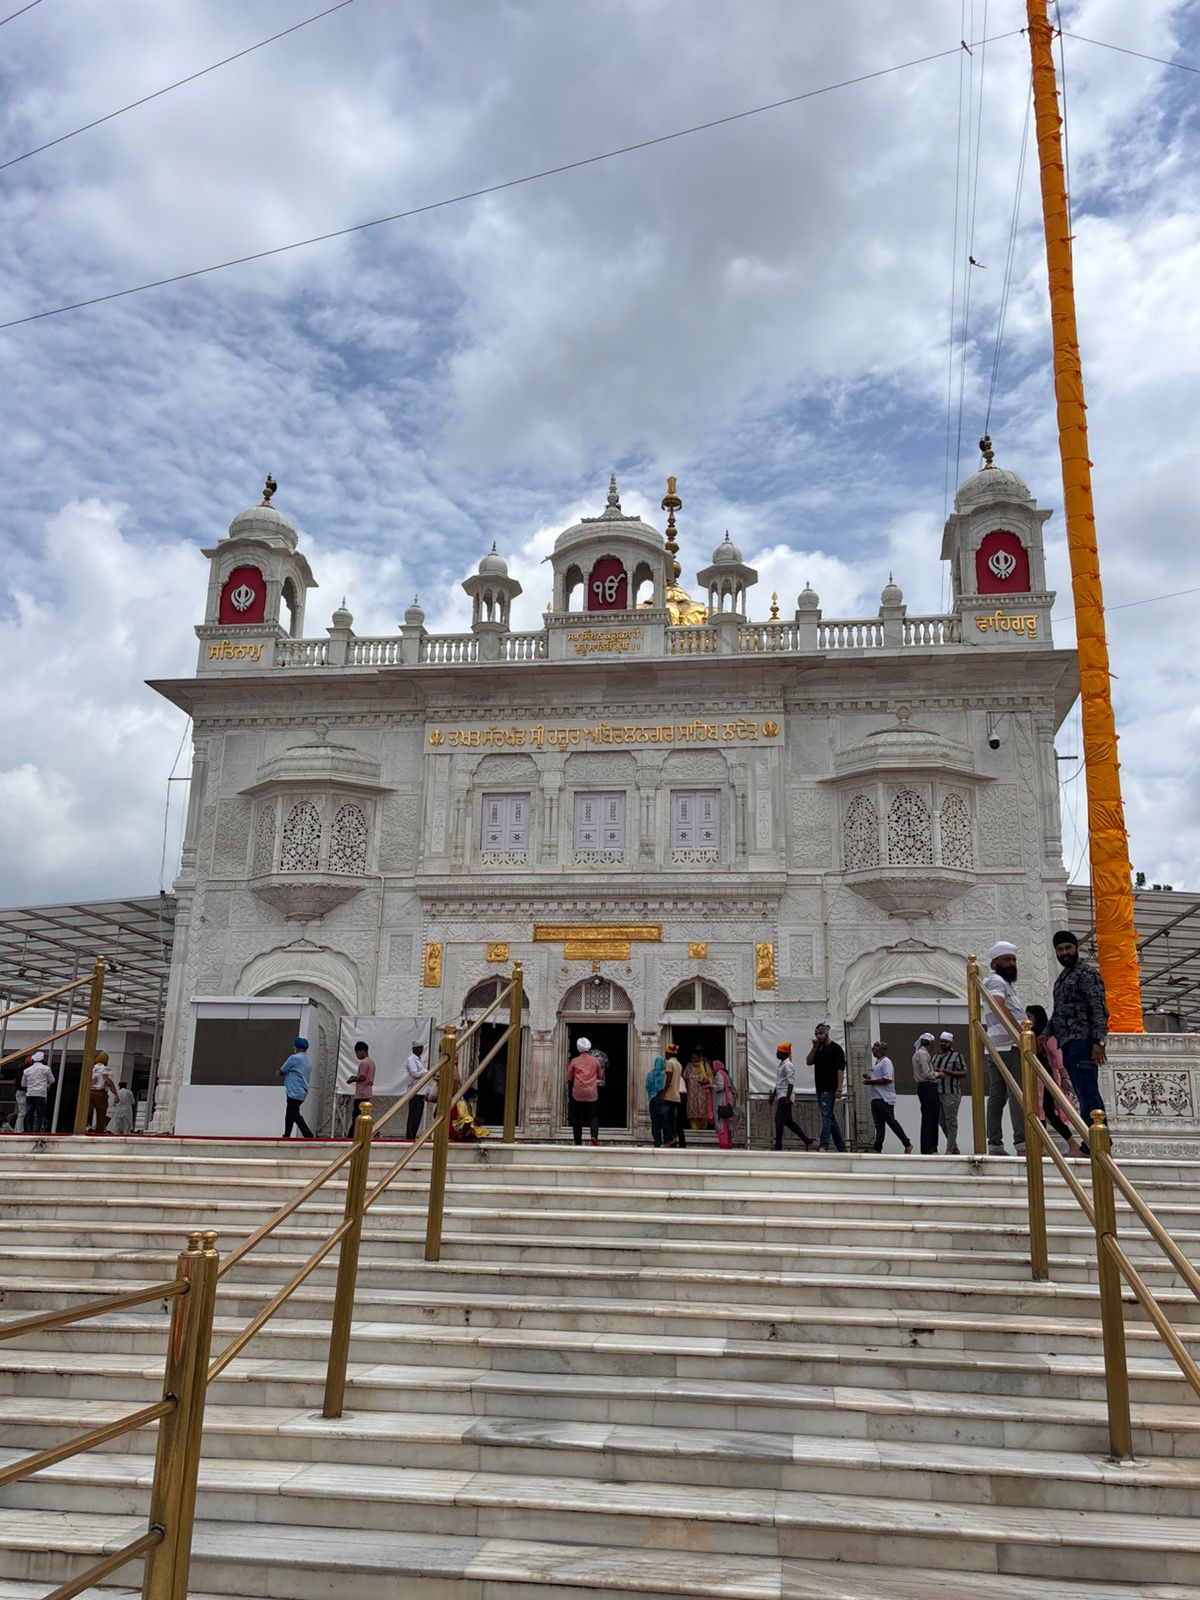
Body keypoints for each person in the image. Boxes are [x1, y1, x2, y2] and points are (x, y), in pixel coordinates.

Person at [1048, 930, 1109, 1154]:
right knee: (1083, 1095)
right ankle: (1092, 1140)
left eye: (1068, 948)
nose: (1065, 953)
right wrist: (1045, 1033)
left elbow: (1099, 1010)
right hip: (1068, 1046)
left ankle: (1099, 1142)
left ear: (1076, 949)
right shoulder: (1062, 980)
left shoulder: (1086, 974)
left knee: (1088, 1093)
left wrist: (1098, 1042)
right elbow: (1058, 1015)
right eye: (1060, 949)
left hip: (1084, 1043)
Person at [981, 941, 1026, 1156]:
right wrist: (1020, 1034)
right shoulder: (996, 980)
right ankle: (1023, 1143)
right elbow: (998, 1005)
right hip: (1009, 1046)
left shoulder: (1000, 982)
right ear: (994, 961)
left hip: (998, 1047)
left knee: (998, 1096)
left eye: (1014, 959)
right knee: (1018, 1093)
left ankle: (996, 1145)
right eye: (1007, 959)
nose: (1012, 963)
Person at [1026, 1003, 1081, 1158]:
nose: (1028, 1020)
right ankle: (1051, 1145)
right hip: (1037, 1078)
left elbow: (1058, 1056)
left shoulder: (1046, 1035)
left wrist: (1064, 1077)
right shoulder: (1031, 1034)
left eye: (1030, 1016)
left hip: (1045, 1078)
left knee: (1045, 1111)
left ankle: (1065, 1145)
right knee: (1043, 1111)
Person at [863, 1042, 913, 1153]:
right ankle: (877, 1147)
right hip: (876, 1097)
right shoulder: (878, 1062)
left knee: (891, 1121)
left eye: (875, 1048)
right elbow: (879, 1077)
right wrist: (870, 1077)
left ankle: (907, 1143)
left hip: (884, 1098)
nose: (873, 1050)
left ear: (880, 1050)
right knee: (879, 1125)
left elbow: (887, 1078)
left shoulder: (886, 1062)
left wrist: (871, 1081)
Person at [806, 1023, 846, 1152]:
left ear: (826, 1033)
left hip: (829, 1088)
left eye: (820, 1034)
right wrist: (814, 1048)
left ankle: (824, 1144)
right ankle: (841, 1146)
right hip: (820, 1087)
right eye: (816, 1034)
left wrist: (839, 1088)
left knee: (826, 1116)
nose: (818, 1036)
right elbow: (809, 1062)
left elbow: (840, 1069)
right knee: (829, 1117)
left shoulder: (836, 1049)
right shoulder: (819, 1048)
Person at [770, 1043, 813, 1152]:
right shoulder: (782, 1064)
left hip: (785, 1096)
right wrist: (774, 1094)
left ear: (783, 1053)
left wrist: (788, 1098)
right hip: (782, 1095)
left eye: (778, 1051)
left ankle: (778, 1146)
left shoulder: (787, 1065)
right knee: (788, 1121)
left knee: (778, 1120)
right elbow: (780, 1082)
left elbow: (790, 1083)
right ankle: (806, 1140)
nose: (776, 1053)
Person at [934, 1030, 967, 1155]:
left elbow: (964, 1073)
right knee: (942, 1121)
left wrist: (948, 1072)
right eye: (942, 1041)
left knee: (951, 1121)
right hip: (938, 1092)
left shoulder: (957, 1056)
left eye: (946, 1042)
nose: (943, 1044)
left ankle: (949, 1149)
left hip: (951, 1092)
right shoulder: (936, 1056)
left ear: (950, 1043)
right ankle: (954, 1146)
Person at [566, 1035, 602, 1146]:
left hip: (577, 1093)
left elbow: (569, 1077)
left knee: (577, 1117)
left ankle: (577, 1141)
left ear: (578, 1048)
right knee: (593, 1116)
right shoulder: (595, 1061)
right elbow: (600, 1076)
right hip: (591, 1093)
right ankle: (594, 1136)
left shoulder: (574, 1061)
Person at [278, 1037, 314, 1139]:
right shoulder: (308, 1059)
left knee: (294, 1113)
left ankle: (308, 1134)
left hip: (294, 1090)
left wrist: (278, 1073)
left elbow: (282, 1070)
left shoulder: (294, 1058)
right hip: (302, 1091)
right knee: (290, 1112)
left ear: (297, 1047)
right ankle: (286, 1134)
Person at [912, 1033, 941, 1154]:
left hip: (923, 1088)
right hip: (928, 1087)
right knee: (932, 1118)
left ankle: (926, 1147)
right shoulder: (923, 1054)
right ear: (928, 1043)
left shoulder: (917, 1054)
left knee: (926, 1118)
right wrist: (938, 1074)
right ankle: (930, 1147)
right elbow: (927, 1074)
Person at [21, 1051, 54, 1134]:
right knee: (40, 1114)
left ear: (33, 1060)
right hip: (41, 1094)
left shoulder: (27, 1070)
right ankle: (39, 1131)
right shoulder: (46, 1069)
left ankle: (29, 1131)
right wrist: (46, 1084)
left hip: (30, 1094)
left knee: (29, 1114)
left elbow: (23, 1084)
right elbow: (52, 1080)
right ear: (43, 1060)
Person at [404, 1041, 432, 1140]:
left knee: (417, 1116)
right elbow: (414, 1074)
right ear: (414, 1049)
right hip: (415, 1092)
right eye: (419, 1048)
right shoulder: (411, 1060)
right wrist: (427, 1072)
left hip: (421, 1092)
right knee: (413, 1116)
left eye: (422, 1048)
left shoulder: (419, 1060)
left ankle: (412, 1136)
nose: (421, 1050)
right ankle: (410, 1137)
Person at [709, 1058, 737, 1150]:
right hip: (728, 1100)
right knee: (726, 1124)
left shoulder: (719, 1073)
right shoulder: (726, 1074)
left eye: (713, 1067)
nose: (713, 1070)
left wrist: (711, 1086)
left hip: (722, 1101)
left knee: (722, 1123)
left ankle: (724, 1144)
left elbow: (720, 1086)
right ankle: (728, 1144)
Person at [646, 1054, 672, 1147]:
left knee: (655, 1121)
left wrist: (651, 1096)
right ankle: (666, 1140)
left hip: (653, 1099)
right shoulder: (664, 1074)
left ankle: (657, 1141)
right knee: (665, 1120)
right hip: (662, 1099)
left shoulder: (650, 1074)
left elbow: (648, 1087)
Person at [89, 1051, 117, 1134]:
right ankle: (99, 1131)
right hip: (100, 1094)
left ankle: (85, 1127)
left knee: (87, 1112)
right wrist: (116, 1094)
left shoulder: (91, 1069)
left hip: (89, 1093)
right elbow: (109, 1083)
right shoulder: (106, 1069)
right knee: (101, 1113)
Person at [348, 1040, 376, 1125]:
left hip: (361, 1094)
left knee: (356, 1117)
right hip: (368, 1092)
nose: (357, 1055)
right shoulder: (372, 1062)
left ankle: (351, 1136)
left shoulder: (363, 1063)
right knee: (363, 1115)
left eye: (357, 1053)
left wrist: (353, 1079)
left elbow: (363, 1077)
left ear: (362, 1051)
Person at [685, 1046, 713, 1130]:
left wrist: (706, 1081)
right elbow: (684, 1077)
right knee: (693, 1113)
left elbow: (711, 1079)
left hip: (703, 1094)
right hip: (692, 1095)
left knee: (703, 1112)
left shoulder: (705, 1066)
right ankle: (694, 1131)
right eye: (693, 1058)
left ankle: (703, 1130)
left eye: (696, 1058)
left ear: (699, 1057)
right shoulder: (689, 1066)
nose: (694, 1060)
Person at [661, 1043, 683, 1145]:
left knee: (665, 1118)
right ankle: (674, 1137)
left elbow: (668, 1078)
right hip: (676, 1095)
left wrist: (663, 1093)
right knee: (673, 1119)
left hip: (669, 1095)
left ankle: (669, 1139)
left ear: (668, 1054)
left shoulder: (669, 1063)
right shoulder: (678, 1064)